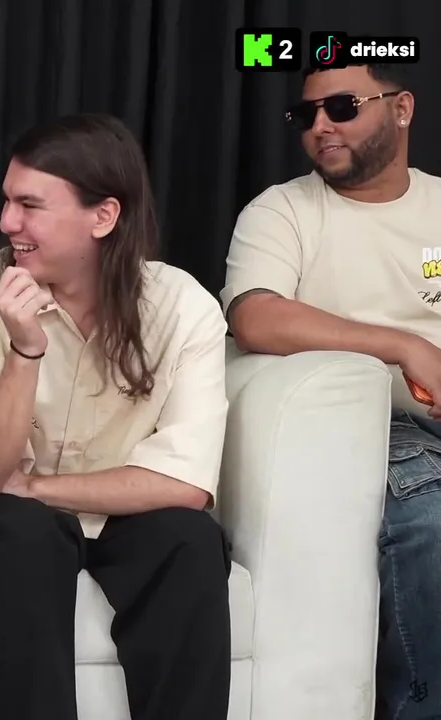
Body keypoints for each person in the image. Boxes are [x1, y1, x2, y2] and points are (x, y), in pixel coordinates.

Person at [0, 114, 233, 720]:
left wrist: (37, 487)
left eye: (30, 205)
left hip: (122, 513)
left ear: (103, 216)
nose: (7, 223)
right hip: (18, 521)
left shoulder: (183, 306)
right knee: (23, 533)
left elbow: (184, 483)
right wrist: (25, 349)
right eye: (7, 201)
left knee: (191, 540)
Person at [222, 62, 438, 720]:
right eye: (305, 114)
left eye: (342, 107)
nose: (320, 126)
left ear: (401, 109)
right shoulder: (282, 211)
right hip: (383, 434)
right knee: (431, 522)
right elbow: (255, 316)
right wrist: (403, 346)